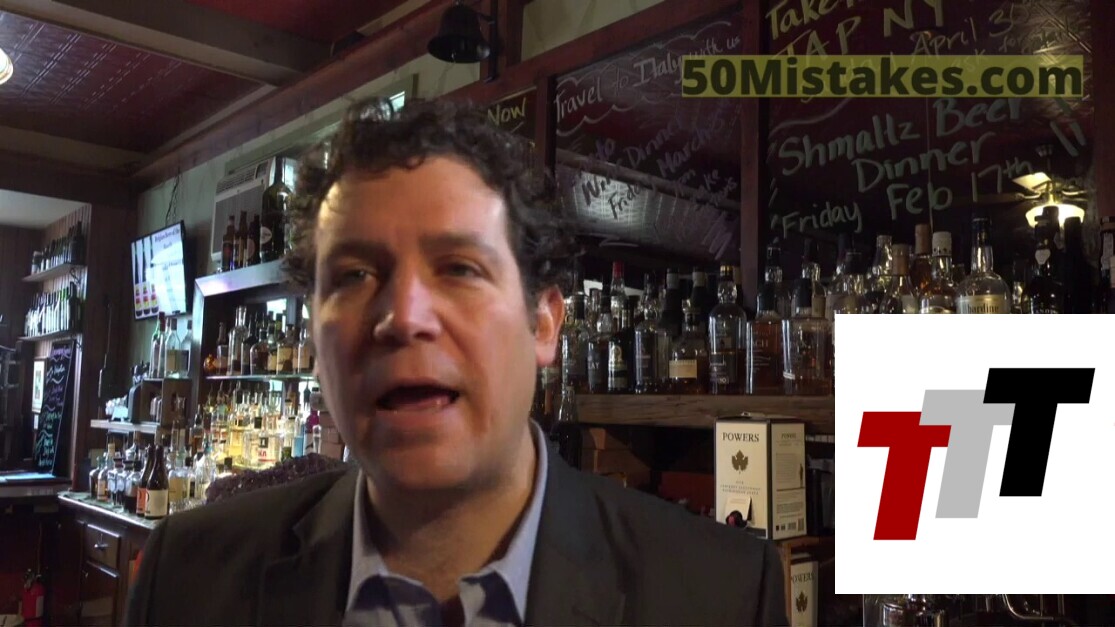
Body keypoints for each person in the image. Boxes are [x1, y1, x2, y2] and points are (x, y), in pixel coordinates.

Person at [124, 98, 788, 627]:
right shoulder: (187, 578)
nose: (404, 316)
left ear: (544, 322)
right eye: (354, 275)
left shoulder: (719, 594)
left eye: (460, 268)